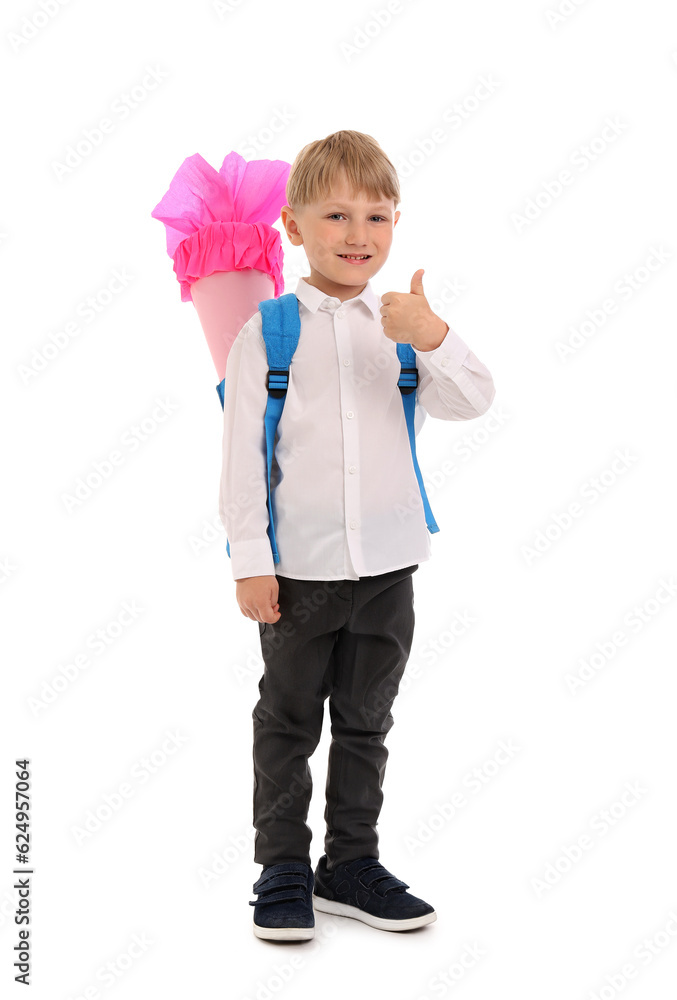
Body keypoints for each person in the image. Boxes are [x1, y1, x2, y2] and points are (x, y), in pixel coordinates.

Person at [218, 130, 496, 941]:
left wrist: (433, 333)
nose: (357, 234)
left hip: (389, 567)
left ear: (395, 224)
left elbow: (474, 400)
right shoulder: (266, 332)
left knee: (367, 719)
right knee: (288, 719)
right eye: (335, 214)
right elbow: (243, 458)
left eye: (376, 216)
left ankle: (349, 863)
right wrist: (249, 563)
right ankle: (280, 869)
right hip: (298, 574)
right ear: (294, 228)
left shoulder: (401, 323)